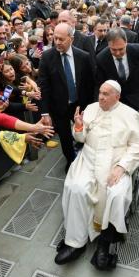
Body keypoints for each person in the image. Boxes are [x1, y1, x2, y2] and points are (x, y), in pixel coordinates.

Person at [55, 80, 139, 270]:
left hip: (116, 161)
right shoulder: (90, 108)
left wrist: (122, 167)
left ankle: (105, 244)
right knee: (76, 187)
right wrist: (78, 126)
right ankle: (75, 242)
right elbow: (79, 139)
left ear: (117, 97)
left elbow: (138, 146)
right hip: (88, 158)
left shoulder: (130, 114)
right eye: (100, 93)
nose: (101, 97)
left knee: (116, 194)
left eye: (106, 94)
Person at [38, 23, 95, 172]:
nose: (57, 42)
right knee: (64, 136)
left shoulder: (83, 56)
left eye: (61, 39)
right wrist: (45, 112)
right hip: (59, 107)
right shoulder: (47, 57)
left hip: (80, 104)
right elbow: (43, 86)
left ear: (72, 38)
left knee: (85, 132)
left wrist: (91, 106)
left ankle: (88, 158)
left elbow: (91, 83)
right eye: (55, 38)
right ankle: (71, 160)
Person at [95, 28, 139, 111]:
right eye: (113, 49)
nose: (117, 53)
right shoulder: (101, 58)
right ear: (108, 44)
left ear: (126, 42)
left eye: (121, 49)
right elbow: (100, 83)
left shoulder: (137, 50)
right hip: (113, 99)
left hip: (134, 97)